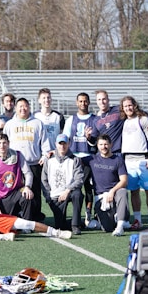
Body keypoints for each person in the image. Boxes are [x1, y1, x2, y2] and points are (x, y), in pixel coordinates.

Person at [3, 98, 50, 221]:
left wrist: (45, 155)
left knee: (34, 191)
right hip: (15, 164)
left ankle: (35, 216)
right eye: (20, 106)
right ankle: (18, 215)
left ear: (29, 107)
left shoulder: (37, 123)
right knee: (15, 190)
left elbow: (44, 142)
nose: (22, 109)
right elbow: (4, 142)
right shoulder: (9, 124)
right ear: (15, 108)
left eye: (25, 106)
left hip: (33, 162)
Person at [120, 96, 148, 230]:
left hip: (143, 159)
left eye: (130, 105)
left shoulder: (143, 119)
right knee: (134, 192)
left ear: (134, 105)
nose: (128, 108)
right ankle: (137, 220)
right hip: (128, 161)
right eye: (125, 106)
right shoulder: (122, 120)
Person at [62, 92, 97, 225]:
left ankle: (88, 214)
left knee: (89, 187)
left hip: (89, 157)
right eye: (80, 101)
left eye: (85, 101)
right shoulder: (71, 120)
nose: (83, 103)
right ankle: (71, 215)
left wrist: (90, 138)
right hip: (74, 158)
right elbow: (65, 138)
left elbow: (98, 139)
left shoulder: (94, 119)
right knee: (73, 187)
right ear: (77, 103)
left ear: (88, 102)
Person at [87, 134, 130, 236]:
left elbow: (124, 180)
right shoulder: (91, 159)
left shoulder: (118, 160)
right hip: (101, 198)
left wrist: (112, 191)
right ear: (97, 146)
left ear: (111, 145)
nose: (104, 147)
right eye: (101, 144)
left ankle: (120, 226)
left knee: (122, 191)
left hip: (114, 194)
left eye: (106, 144)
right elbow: (73, 158)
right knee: (107, 228)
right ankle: (116, 217)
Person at [0, 133, 36, 220]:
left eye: (4, 143)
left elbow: (28, 173)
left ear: (8, 143)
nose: (2, 146)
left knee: (27, 195)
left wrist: (27, 187)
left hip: (16, 192)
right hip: (2, 197)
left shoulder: (18, 155)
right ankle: (17, 215)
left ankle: (27, 224)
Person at [41, 134, 84, 235]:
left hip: (69, 192)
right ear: (56, 144)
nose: (62, 146)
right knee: (60, 226)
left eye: (65, 144)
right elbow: (44, 180)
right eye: (60, 144)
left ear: (69, 144)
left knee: (78, 194)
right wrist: (48, 197)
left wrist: (68, 190)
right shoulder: (49, 160)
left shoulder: (75, 160)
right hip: (55, 196)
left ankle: (75, 225)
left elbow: (79, 179)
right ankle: (78, 222)